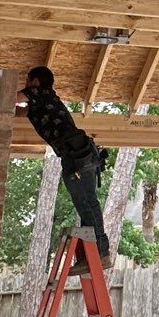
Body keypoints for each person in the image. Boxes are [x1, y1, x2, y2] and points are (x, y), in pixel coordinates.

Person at [19, 66, 110, 264]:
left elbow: (13, 98)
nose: (25, 84)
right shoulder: (43, 101)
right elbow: (20, 111)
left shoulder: (39, 92)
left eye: (27, 80)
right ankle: (92, 255)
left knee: (87, 202)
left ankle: (100, 252)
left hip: (76, 154)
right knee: (85, 204)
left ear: (35, 81)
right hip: (77, 153)